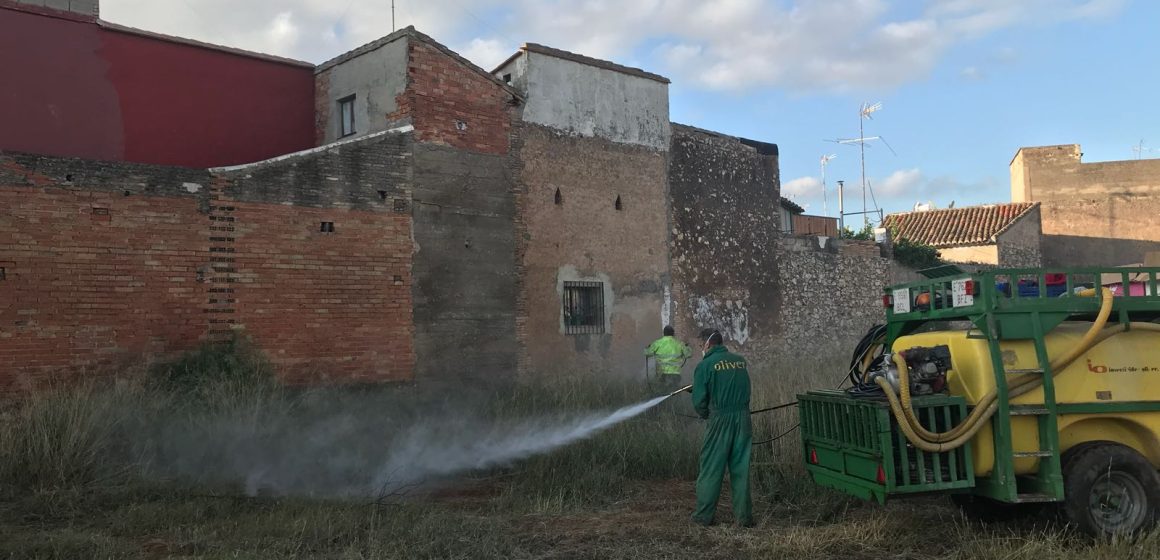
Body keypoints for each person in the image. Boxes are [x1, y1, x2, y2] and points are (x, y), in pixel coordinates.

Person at [690, 328, 753, 527]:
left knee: (711, 468)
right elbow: (744, 388)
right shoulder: (739, 361)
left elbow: (700, 402)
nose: (701, 349)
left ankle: (703, 517)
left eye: (701, 345)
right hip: (743, 419)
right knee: (741, 469)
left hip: (720, 421)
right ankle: (744, 518)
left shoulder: (705, 365)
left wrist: (707, 414)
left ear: (708, 343)